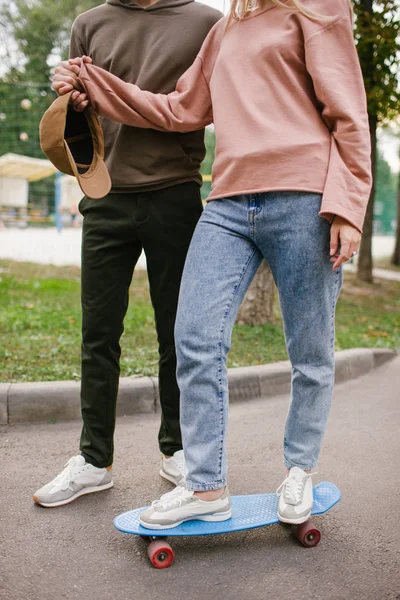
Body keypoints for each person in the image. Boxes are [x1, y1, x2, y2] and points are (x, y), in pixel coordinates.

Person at [53, 0, 371, 527]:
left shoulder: (319, 10)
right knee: (195, 337)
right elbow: (179, 110)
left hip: (302, 196)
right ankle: (205, 486)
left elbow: (348, 113)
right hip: (228, 202)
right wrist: (96, 81)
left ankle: (298, 469)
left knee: (310, 350)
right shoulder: (225, 30)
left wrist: (348, 208)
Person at [33, 0, 222, 508]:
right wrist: (71, 99)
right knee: (98, 333)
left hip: (176, 195)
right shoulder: (89, 24)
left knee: (180, 334)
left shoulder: (207, 23)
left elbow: (214, 103)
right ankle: (94, 461)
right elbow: (84, 121)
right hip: (106, 196)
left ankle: (179, 450)